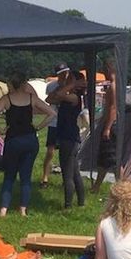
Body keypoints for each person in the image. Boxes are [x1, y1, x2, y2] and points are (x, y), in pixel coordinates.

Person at [0, 73, 56, 216]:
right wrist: (38, 127)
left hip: (13, 139)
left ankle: (3, 209)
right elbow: (51, 113)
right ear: (24, 84)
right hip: (30, 139)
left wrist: (1, 130)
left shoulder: (7, 99)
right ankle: (23, 209)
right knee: (26, 176)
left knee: (9, 176)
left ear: (10, 85)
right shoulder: (32, 98)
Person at [47, 70, 86, 208]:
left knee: (67, 173)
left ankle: (68, 205)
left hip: (69, 138)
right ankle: (81, 202)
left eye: (69, 79)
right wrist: (64, 84)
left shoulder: (75, 97)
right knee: (74, 172)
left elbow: (59, 95)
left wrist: (71, 84)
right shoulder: (68, 95)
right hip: (68, 137)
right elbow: (49, 99)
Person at [91, 60, 118, 193]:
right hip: (109, 123)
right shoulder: (115, 85)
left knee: (113, 159)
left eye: (105, 69)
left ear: (110, 69)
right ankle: (96, 187)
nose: (104, 72)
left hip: (111, 125)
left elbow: (113, 108)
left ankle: (121, 187)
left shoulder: (114, 86)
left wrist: (107, 127)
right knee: (104, 158)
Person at [40, 63, 68, 186]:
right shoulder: (52, 86)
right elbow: (48, 100)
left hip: (66, 122)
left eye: (65, 73)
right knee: (50, 151)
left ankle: (65, 178)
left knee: (66, 152)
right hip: (54, 121)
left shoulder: (71, 85)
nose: (64, 75)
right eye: (61, 74)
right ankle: (45, 176)